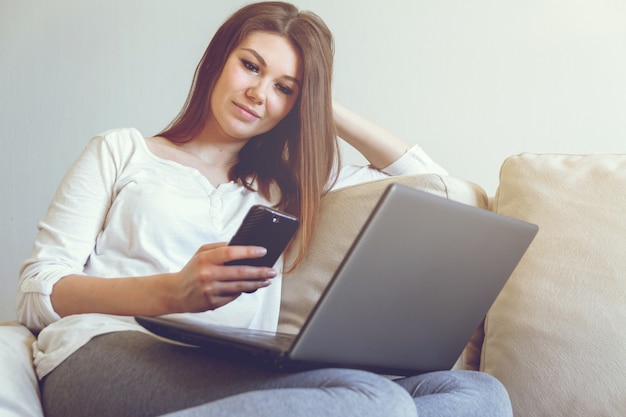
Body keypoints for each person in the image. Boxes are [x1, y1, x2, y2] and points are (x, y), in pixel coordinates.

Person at [17, 2, 513, 416]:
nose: (259, 94)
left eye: (284, 88)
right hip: (102, 352)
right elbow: (37, 295)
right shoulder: (122, 151)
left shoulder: (282, 184)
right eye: (251, 66)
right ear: (217, 59)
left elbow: (432, 181)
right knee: (372, 400)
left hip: (234, 363)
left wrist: (319, 101)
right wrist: (171, 292)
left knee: (475, 393)